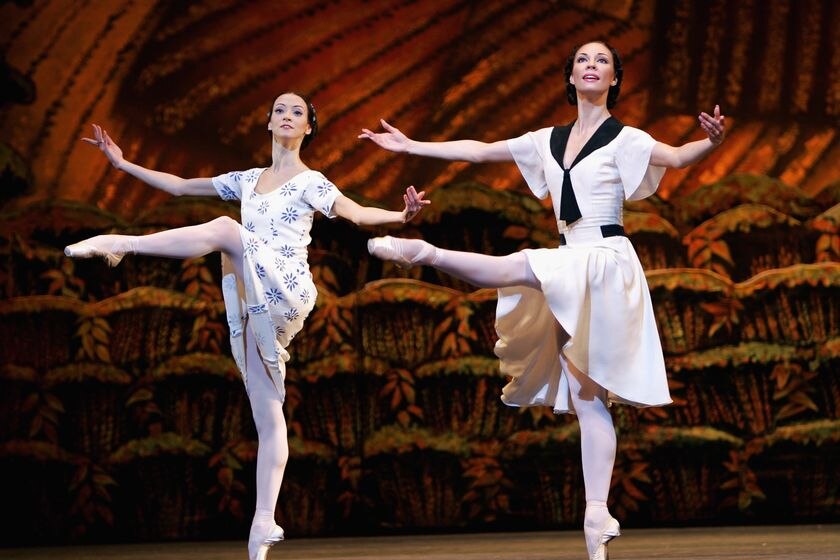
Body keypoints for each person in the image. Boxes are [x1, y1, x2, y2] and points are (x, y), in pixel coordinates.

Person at [360, 41, 725, 560]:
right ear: (571, 76)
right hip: (571, 255)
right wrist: (411, 146)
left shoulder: (625, 138)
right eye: (582, 60)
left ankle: (425, 251)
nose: (591, 65)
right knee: (586, 398)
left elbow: (678, 156)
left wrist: (710, 142)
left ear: (615, 79)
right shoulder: (546, 140)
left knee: (518, 268)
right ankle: (597, 516)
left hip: (605, 259)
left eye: (602, 61)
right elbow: (479, 150)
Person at [65, 92, 429, 560]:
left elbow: (357, 214)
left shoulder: (310, 181)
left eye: (298, 112)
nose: (287, 116)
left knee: (223, 231)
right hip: (250, 296)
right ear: (269, 123)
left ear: (308, 129)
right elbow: (178, 186)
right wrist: (122, 165)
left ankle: (123, 244)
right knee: (268, 413)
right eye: (280, 109)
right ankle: (262, 527)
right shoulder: (247, 179)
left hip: (288, 284)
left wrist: (402, 215)